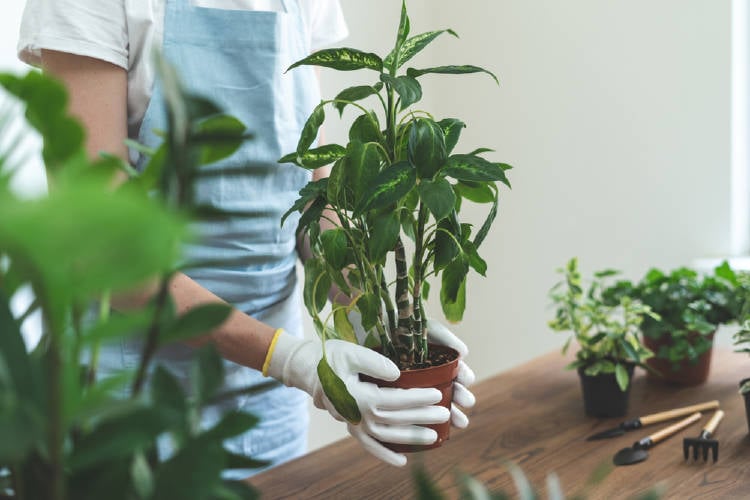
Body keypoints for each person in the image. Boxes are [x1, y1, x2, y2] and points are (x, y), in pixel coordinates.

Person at [17, 0, 475, 475]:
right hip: (128, 400)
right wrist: (290, 359)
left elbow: (313, 201)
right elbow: (101, 247)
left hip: (266, 410)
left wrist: (375, 319)